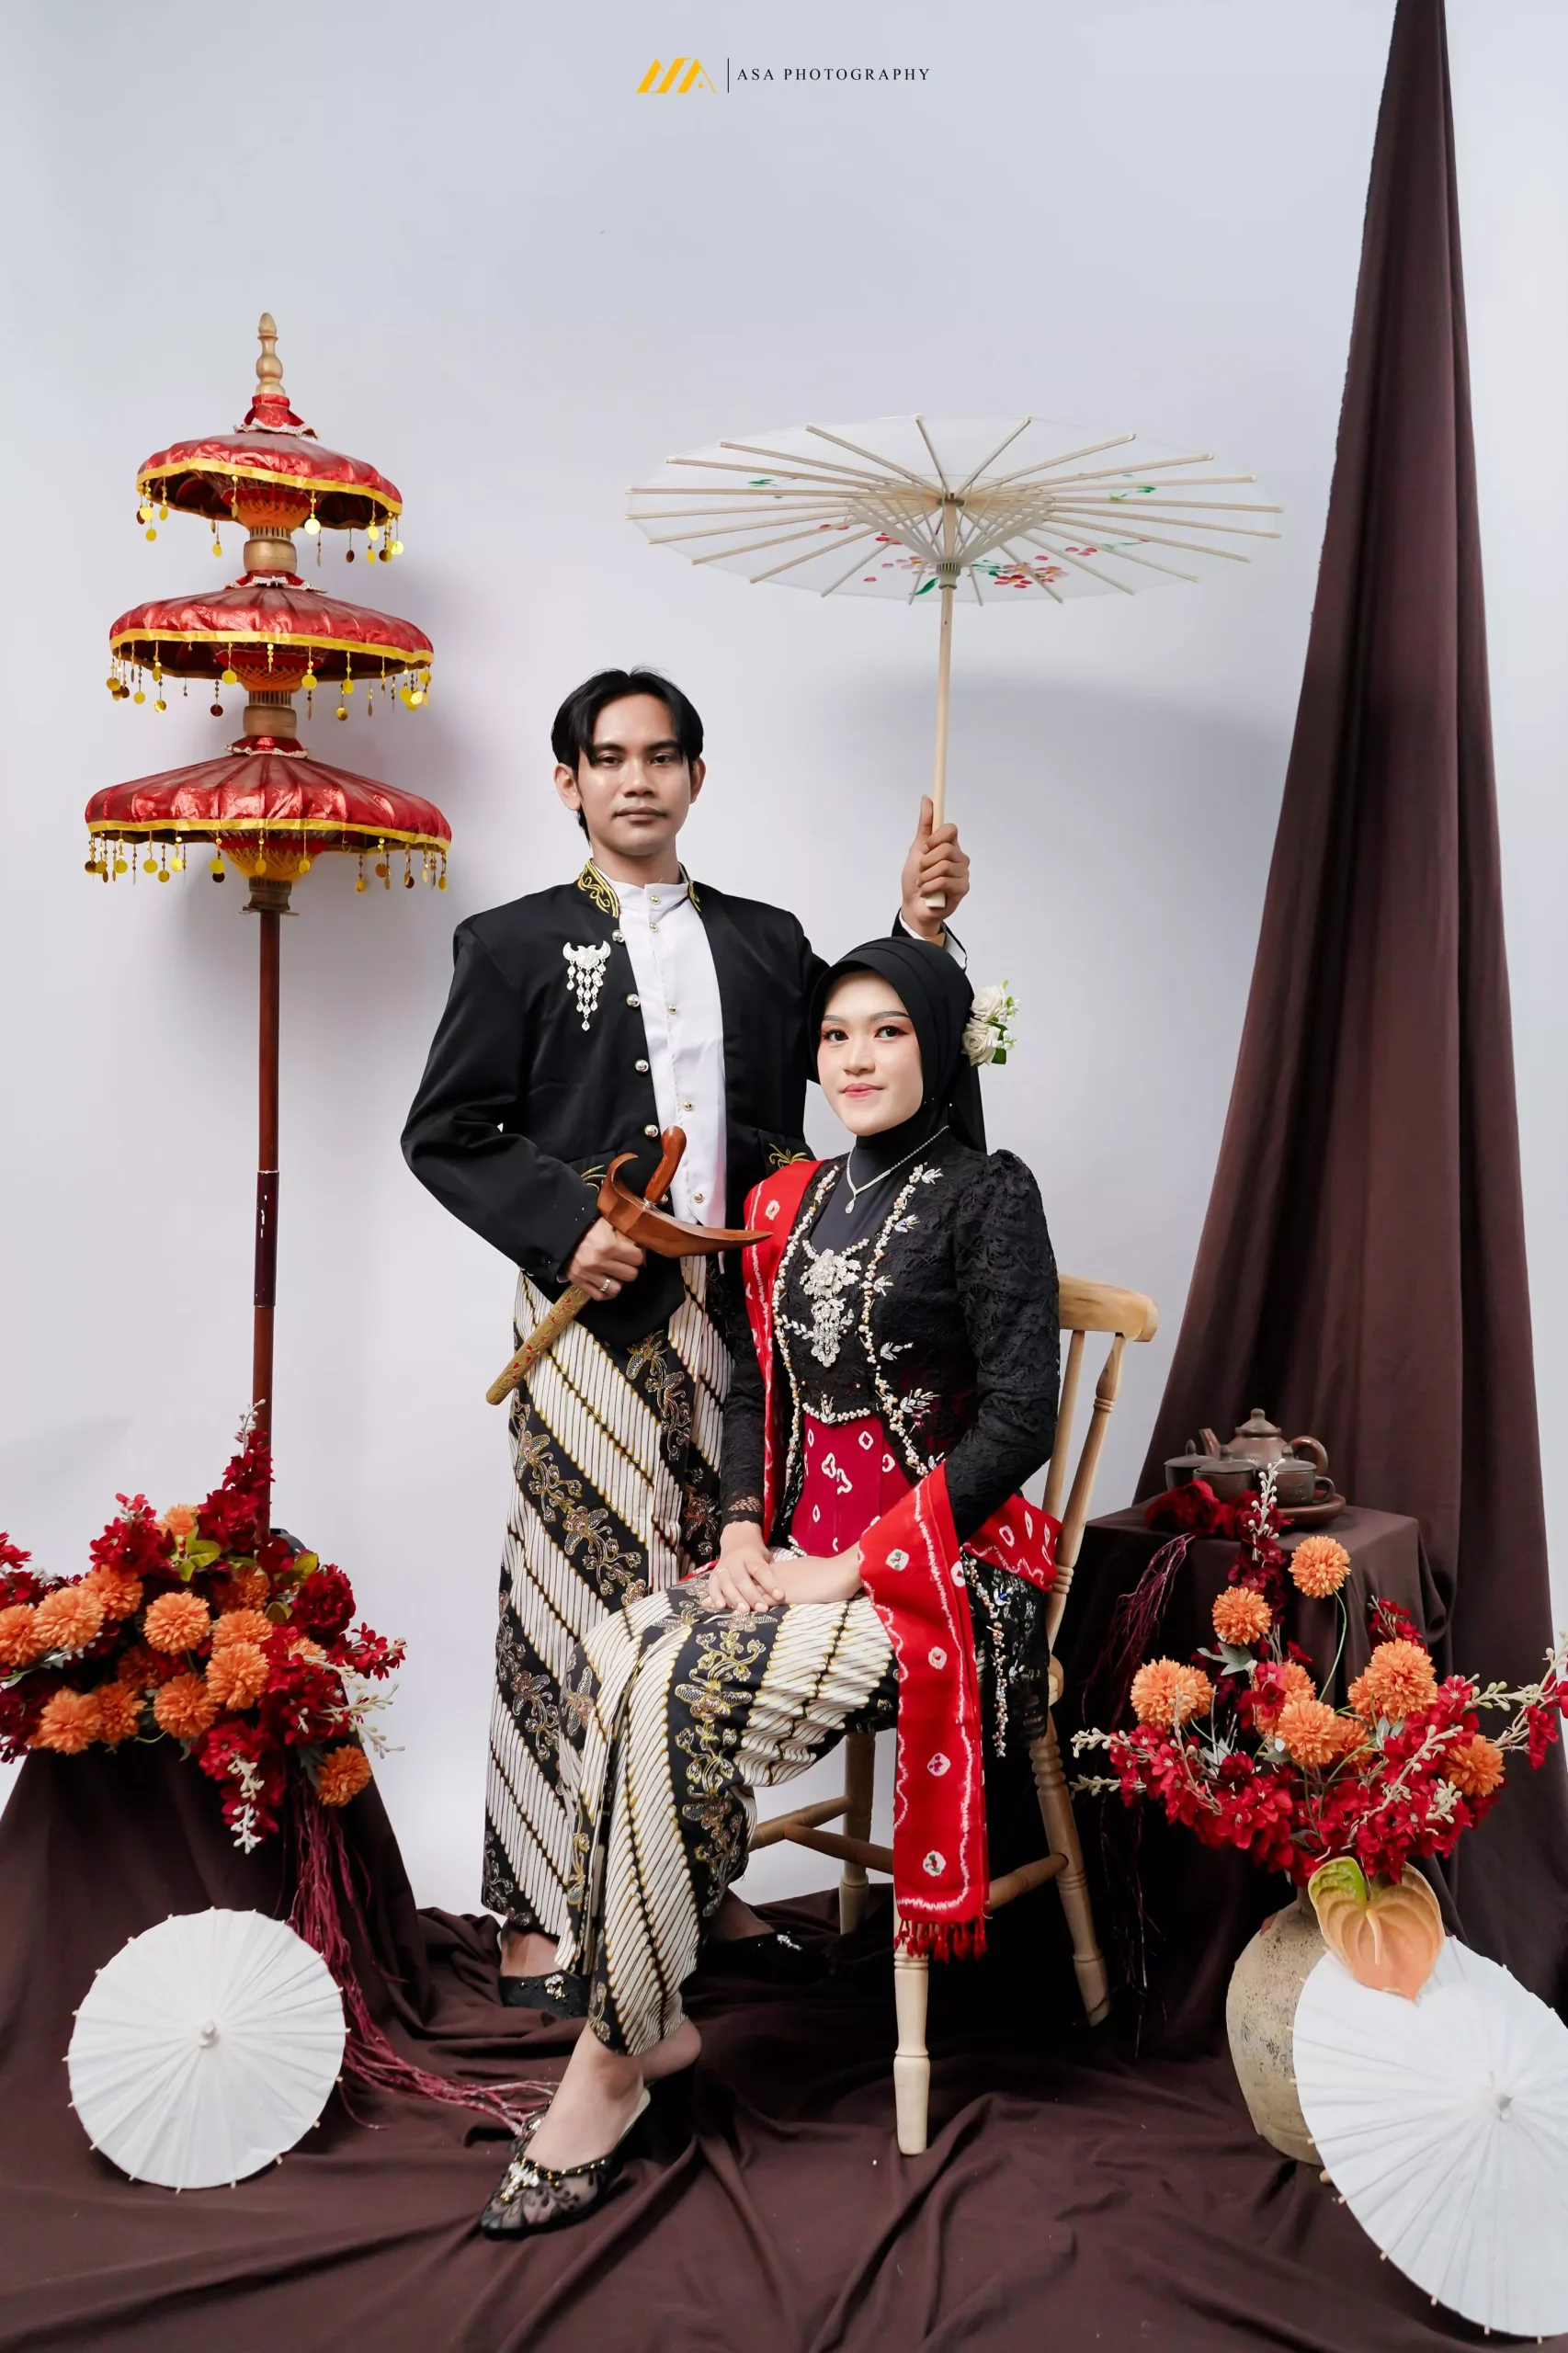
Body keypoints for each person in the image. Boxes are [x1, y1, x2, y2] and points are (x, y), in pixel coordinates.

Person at [402, 672, 971, 2010]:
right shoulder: (510, 943)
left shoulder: (767, 944)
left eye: (662, 757)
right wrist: (565, 1230)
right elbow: (445, 1132)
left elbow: (869, 1042)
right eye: (609, 759)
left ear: (697, 778)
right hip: (590, 1320)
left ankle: (688, 1892)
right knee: (570, 1597)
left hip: (750, 1311)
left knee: (711, 1597)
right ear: (569, 783)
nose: (637, 780)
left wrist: (915, 925)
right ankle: (537, 1914)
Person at [477, 935, 1060, 2235]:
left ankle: (608, 2066)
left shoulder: (987, 1195)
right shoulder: (793, 1197)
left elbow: (1021, 1418)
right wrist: (742, 1527)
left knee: (678, 1691)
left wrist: (854, 1563)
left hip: (944, 1574)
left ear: (941, 1045)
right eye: (836, 1034)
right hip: (795, 1561)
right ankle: (648, 2014)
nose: (855, 1057)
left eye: (888, 1032)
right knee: (620, 1650)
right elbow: (751, 1381)